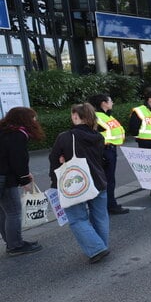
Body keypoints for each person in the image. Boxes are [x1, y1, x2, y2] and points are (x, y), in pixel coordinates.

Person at [49, 103, 110, 264]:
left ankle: (97, 248)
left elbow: (54, 159)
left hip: (74, 184)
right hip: (98, 181)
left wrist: (55, 181)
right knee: (100, 216)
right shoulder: (98, 136)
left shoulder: (66, 137)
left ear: (76, 116)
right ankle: (101, 244)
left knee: (77, 218)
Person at [0, 107, 44, 255]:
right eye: (32, 117)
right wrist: (25, 180)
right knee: (13, 212)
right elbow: (18, 160)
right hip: (5, 179)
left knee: (4, 212)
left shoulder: (5, 131)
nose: (35, 120)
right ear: (24, 119)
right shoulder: (17, 135)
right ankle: (15, 246)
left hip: (2, 176)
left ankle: (11, 242)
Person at [88, 94, 129, 215]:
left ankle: (109, 204)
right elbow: (94, 135)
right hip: (104, 151)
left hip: (110, 149)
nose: (112, 103)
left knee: (108, 179)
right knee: (107, 180)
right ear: (103, 103)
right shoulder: (97, 117)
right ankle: (109, 205)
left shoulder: (107, 116)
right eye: (110, 100)